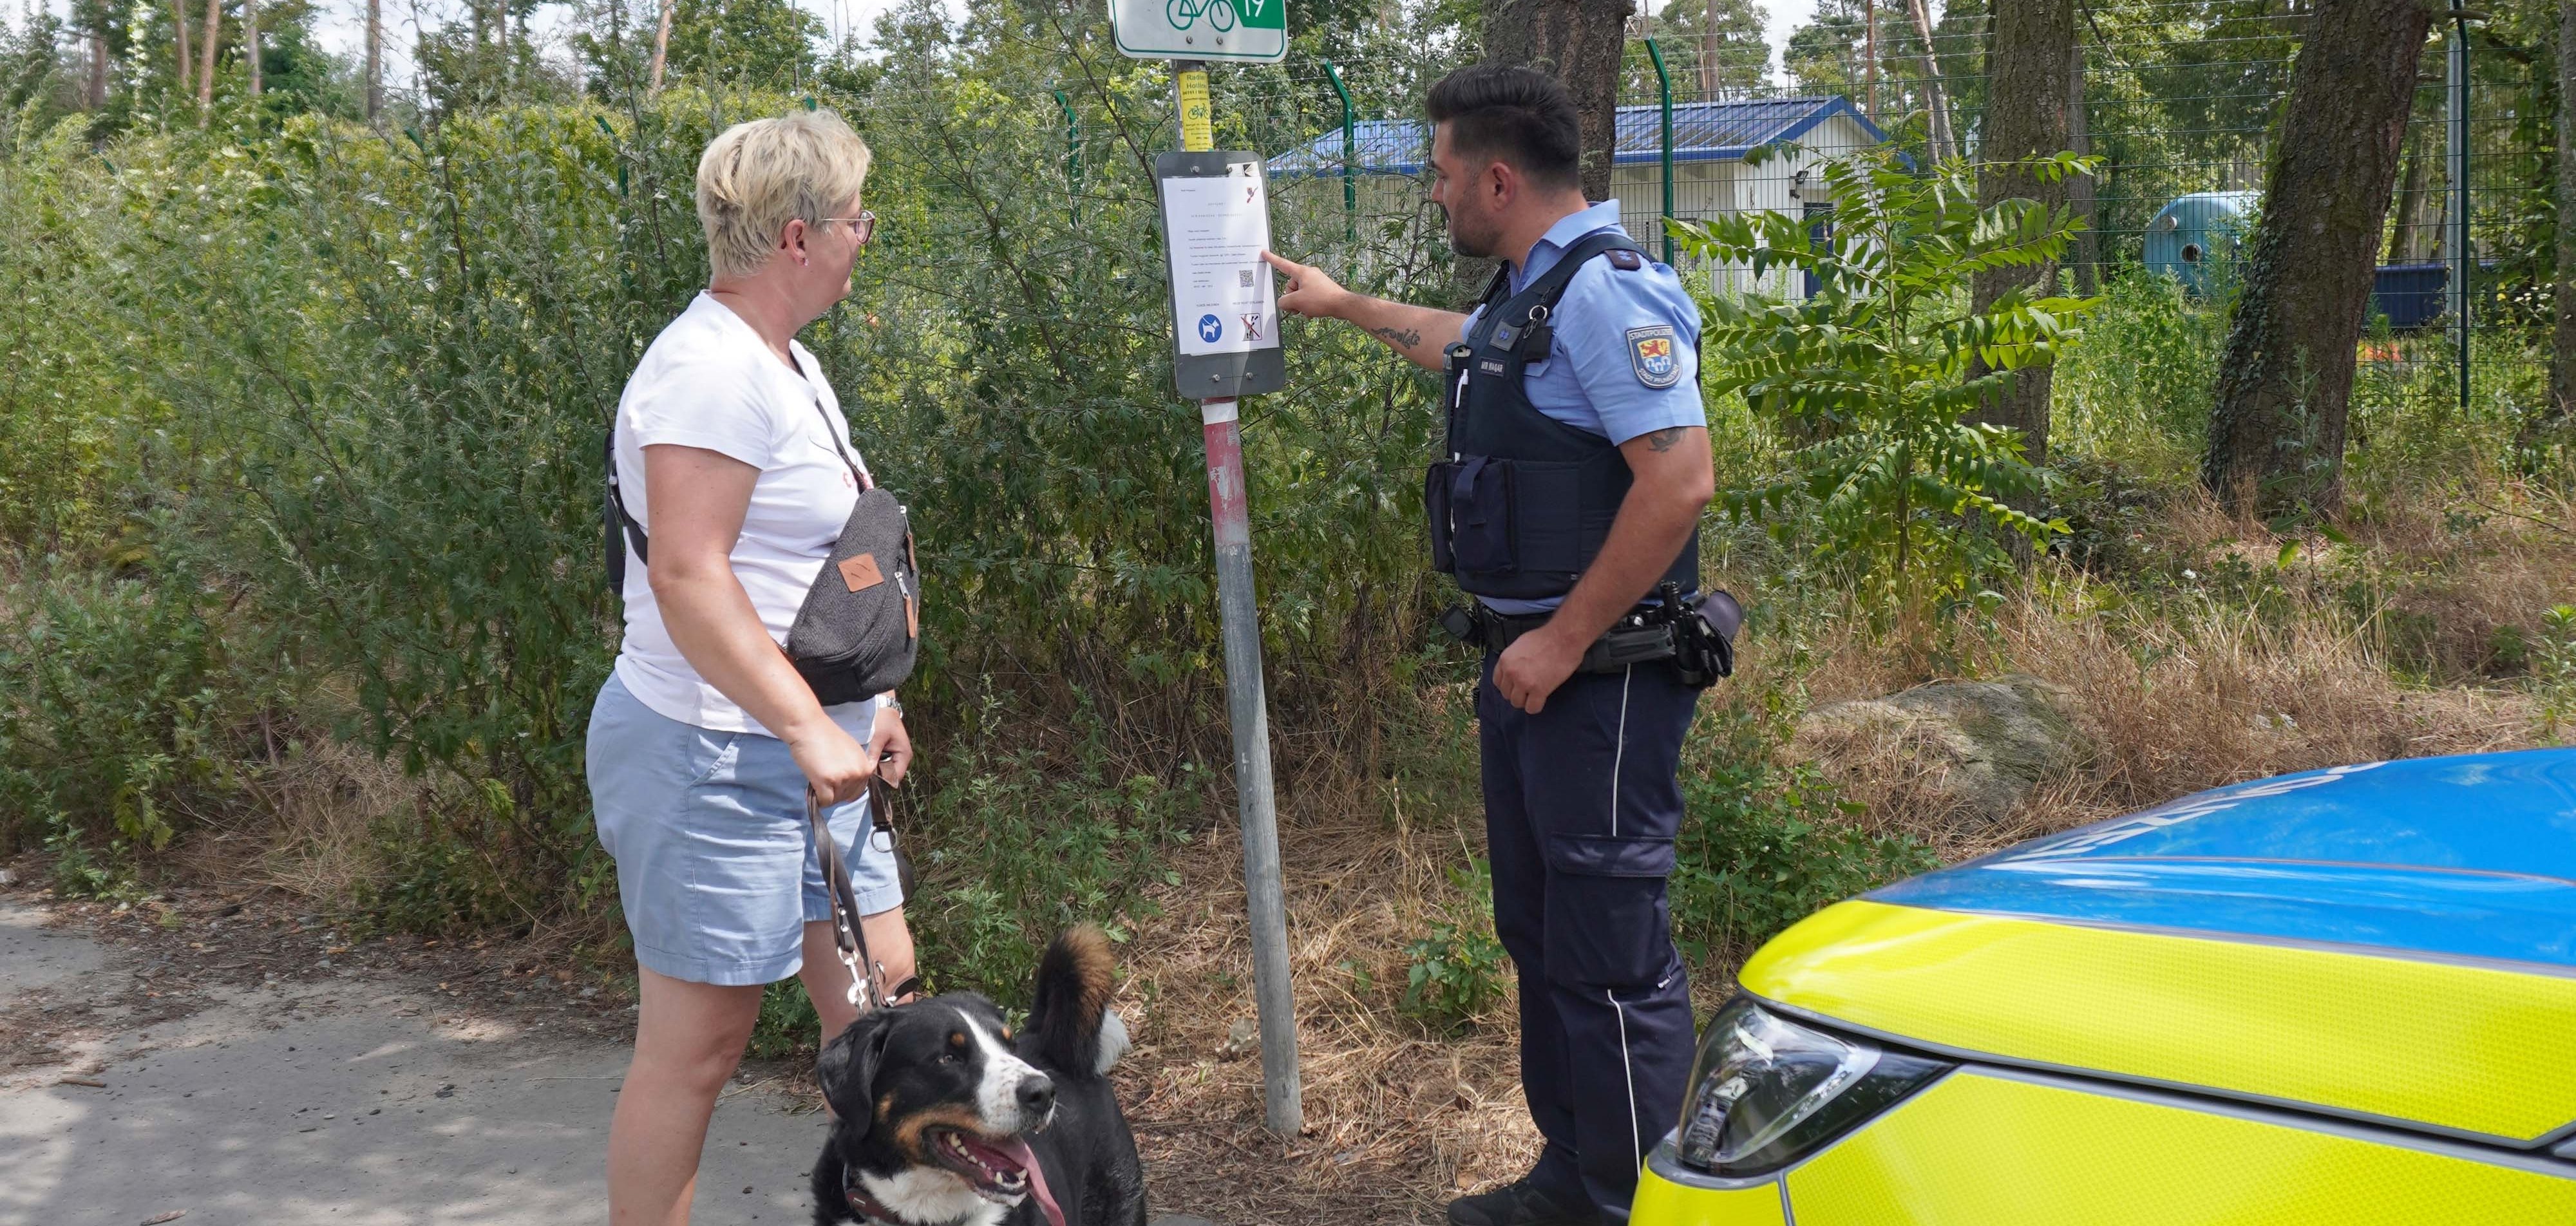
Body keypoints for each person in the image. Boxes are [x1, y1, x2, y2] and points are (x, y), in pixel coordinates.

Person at [1264, 64, 1715, 1226]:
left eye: (1441, 174)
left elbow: (1678, 485)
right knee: (1541, 930)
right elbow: (1464, 343)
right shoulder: (1537, 294)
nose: (1434, 194)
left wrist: (1564, 642)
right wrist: (1342, 303)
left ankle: (1636, 1204)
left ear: (1498, 179)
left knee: (1610, 952)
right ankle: (1572, 1176)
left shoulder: (1609, 295)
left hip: (1600, 682)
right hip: (1531, 677)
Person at [585, 108, 918, 1226]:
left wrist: (873, 704)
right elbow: (690, 579)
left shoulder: (789, 363)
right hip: (709, 752)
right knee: (699, 1048)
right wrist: (801, 725)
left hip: (814, 746)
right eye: (857, 217)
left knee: (887, 1014)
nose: (865, 236)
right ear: (796, 235)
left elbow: (818, 567)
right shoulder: (705, 372)